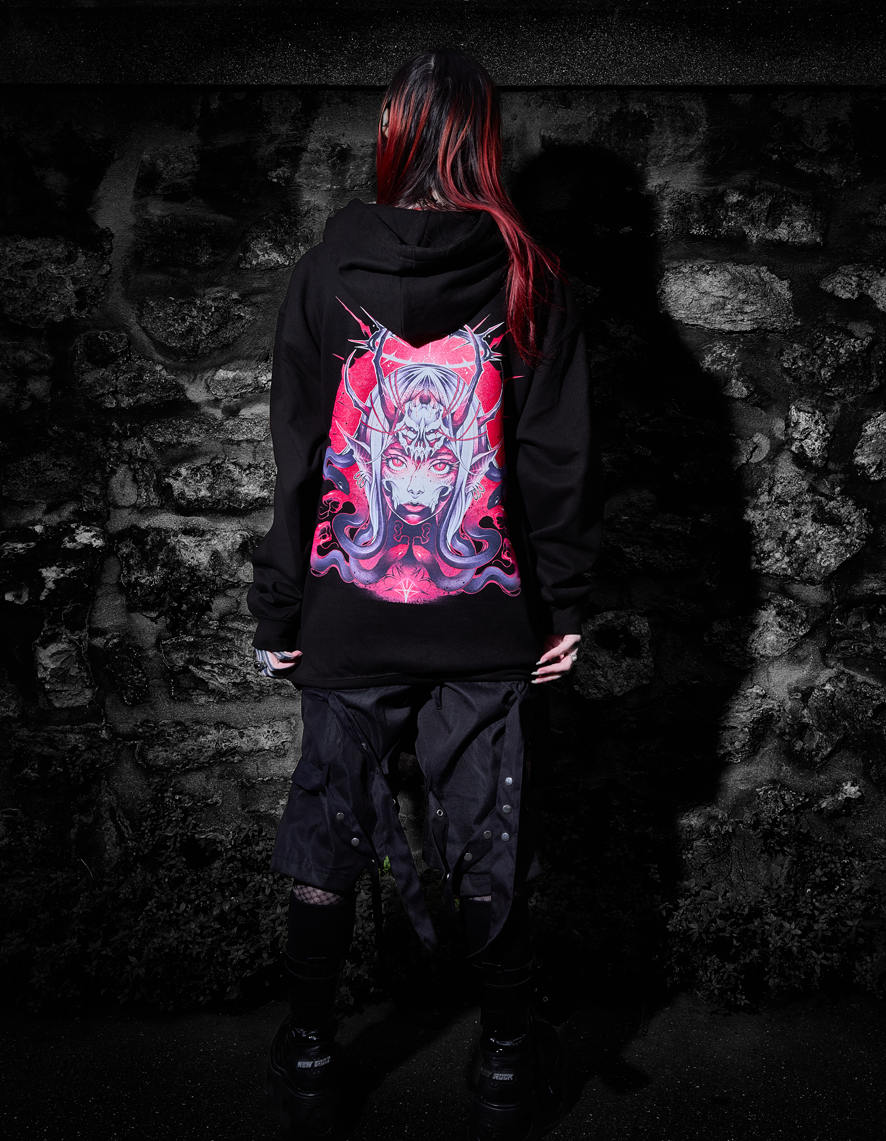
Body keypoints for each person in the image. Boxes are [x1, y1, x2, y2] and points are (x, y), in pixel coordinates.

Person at [247, 47, 603, 1141]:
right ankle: (505, 1062)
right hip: (483, 612)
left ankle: (313, 1052)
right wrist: (562, 605)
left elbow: (298, 455)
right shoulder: (530, 274)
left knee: (329, 816)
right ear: (485, 138)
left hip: (347, 608)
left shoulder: (324, 272)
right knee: (488, 825)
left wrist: (279, 607)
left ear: (393, 131)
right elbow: (556, 461)